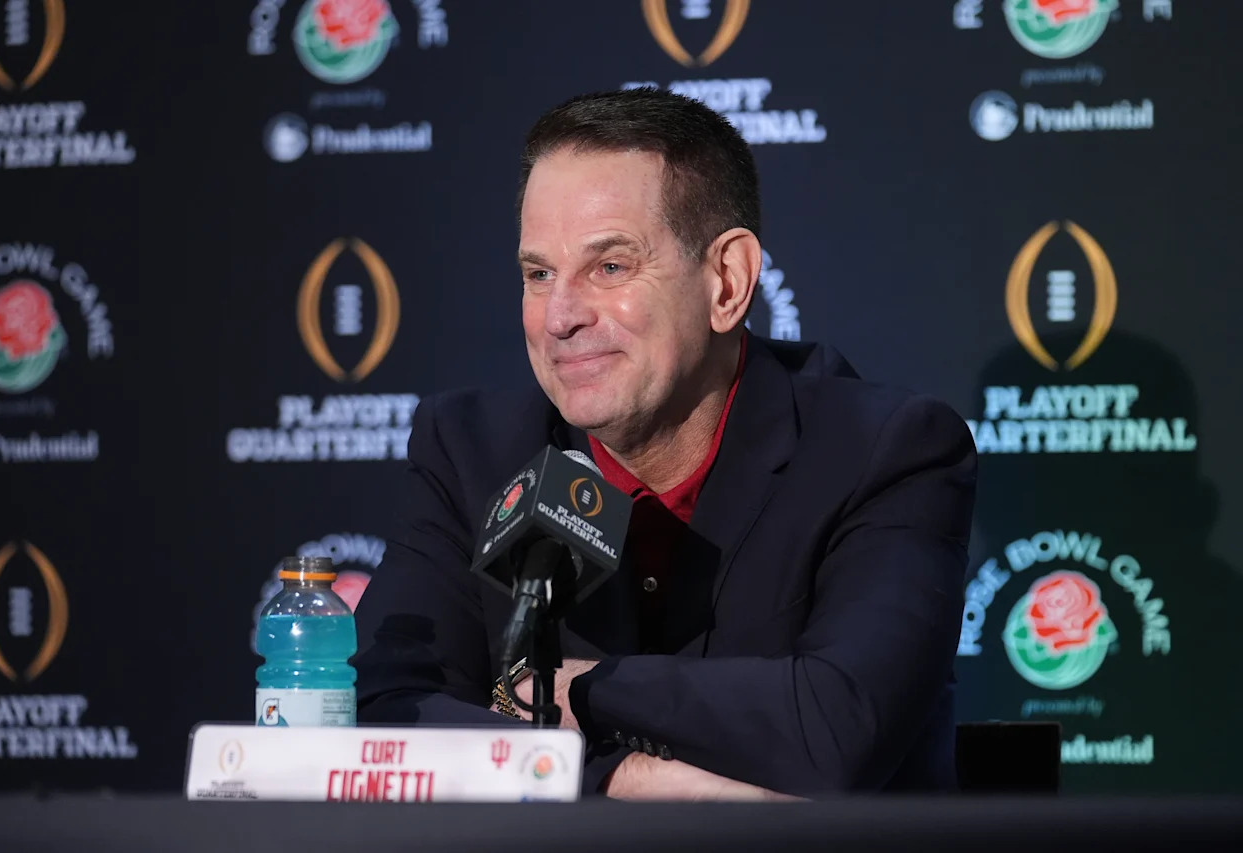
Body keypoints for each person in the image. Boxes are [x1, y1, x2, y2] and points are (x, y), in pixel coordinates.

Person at [353, 88, 977, 800]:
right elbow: (382, 716)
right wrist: (622, 777)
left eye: (609, 266)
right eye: (538, 274)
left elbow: (838, 727)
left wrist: (581, 689)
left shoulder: (885, 451)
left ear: (728, 281)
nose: (559, 317)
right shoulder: (470, 452)